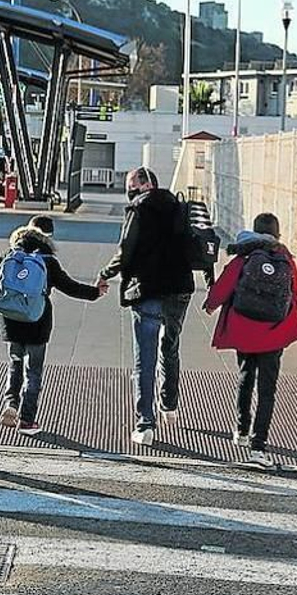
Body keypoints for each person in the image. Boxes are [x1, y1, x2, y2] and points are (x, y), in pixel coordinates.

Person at [97, 166, 195, 446]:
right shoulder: (179, 207)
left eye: (131, 184)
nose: (129, 190)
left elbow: (125, 251)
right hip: (179, 287)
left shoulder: (137, 210)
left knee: (145, 358)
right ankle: (170, 406)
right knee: (171, 346)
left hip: (147, 288)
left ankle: (145, 424)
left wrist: (105, 274)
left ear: (145, 184)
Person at [203, 213, 297, 467]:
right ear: (277, 233)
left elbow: (226, 282)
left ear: (254, 231)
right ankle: (258, 446)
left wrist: (211, 304)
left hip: (244, 327)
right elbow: (294, 295)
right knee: (268, 388)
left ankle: (241, 429)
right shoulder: (286, 259)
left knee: (245, 375)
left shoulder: (246, 255)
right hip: (274, 332)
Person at [0, 216, 107, 436]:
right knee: (33, 371)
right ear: (46, 237)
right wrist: (95, 292)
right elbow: (69, 286)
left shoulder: (8, 255)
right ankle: (27, 421)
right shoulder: (48, 261)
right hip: (37, 321)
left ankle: (11, 404)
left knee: (15, 362)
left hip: (10, 320)